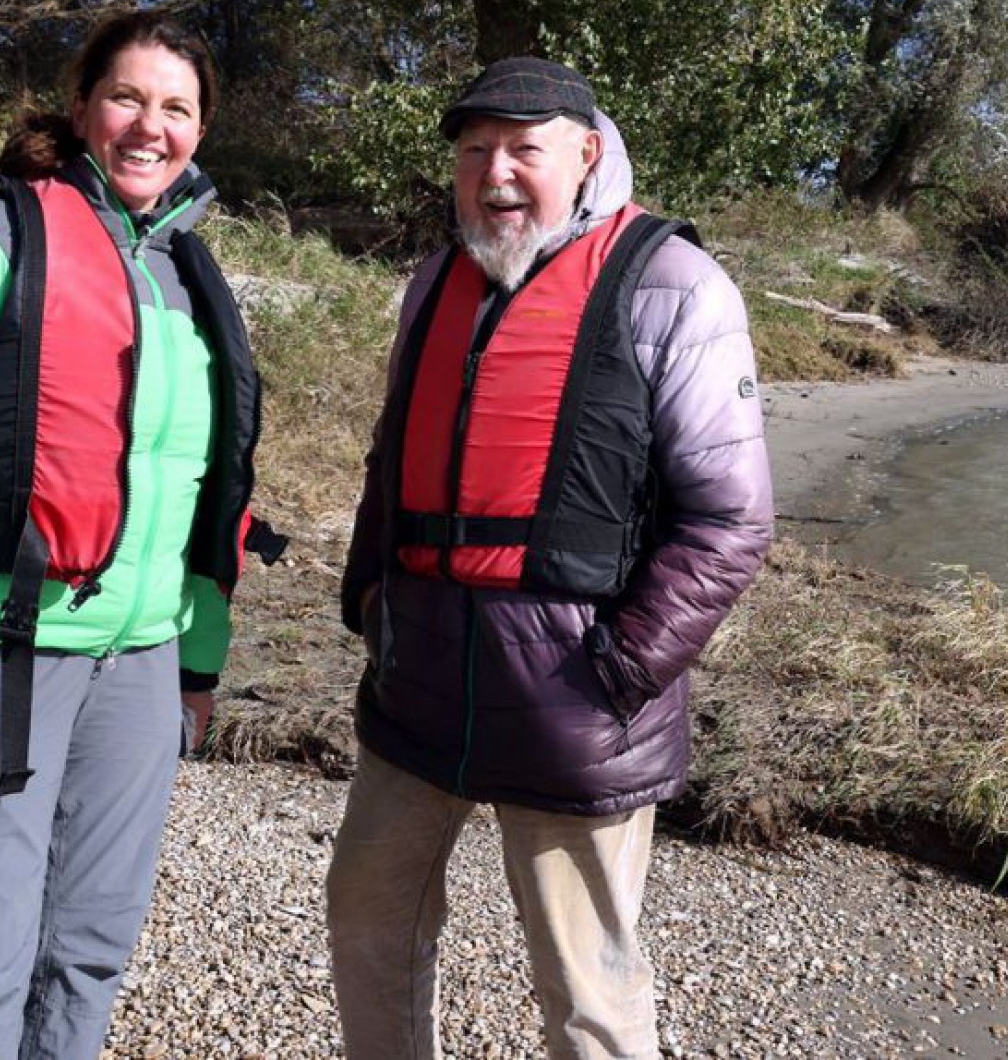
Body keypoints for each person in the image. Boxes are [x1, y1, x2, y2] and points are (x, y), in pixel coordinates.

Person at [0, 10, 279, 1059]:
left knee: (87, 949)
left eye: (177, 108)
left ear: (201, 130)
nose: (150, 126)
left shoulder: (189, 273)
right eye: (127, 97)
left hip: (139, 666)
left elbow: (199, 494)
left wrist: (195, 663)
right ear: (82, 107)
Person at [327, 55, 775, 1059]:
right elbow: (391, 462)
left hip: (576, 700)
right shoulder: (434, 281)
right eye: (474, 149)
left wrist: (619, 668)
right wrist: (370, 602)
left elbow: (730, 518)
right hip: (418, 679)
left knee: (585, 986)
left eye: (524, 149)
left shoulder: (673, 284)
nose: (494, 172)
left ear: (586, 155)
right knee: (366, 916)